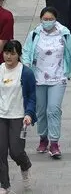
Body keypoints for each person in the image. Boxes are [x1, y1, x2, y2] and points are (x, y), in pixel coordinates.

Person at [23, 7, 71, 159]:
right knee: (41, 110)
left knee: (53, 109)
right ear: (41, 19)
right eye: (45, 19)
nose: (48, 22)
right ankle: (43, 138)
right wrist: (25, 74)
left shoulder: (64, 33)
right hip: (38, 78)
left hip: (58, 77)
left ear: (56, 19)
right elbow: (26, 54)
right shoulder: (34, 34)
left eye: (51, 19)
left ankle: (54, 142)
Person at [0, 40, 33, 188]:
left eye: (12, 53)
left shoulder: (25, 72)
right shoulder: (0, 69)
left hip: (18, 116)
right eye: (6, 53)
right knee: (0, 153)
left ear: (18, 55)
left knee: (16, 151)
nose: (8, 56)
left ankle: (25, 165)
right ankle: (5, 186)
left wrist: (29, 113)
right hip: (1, 116)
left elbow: (32, 96)